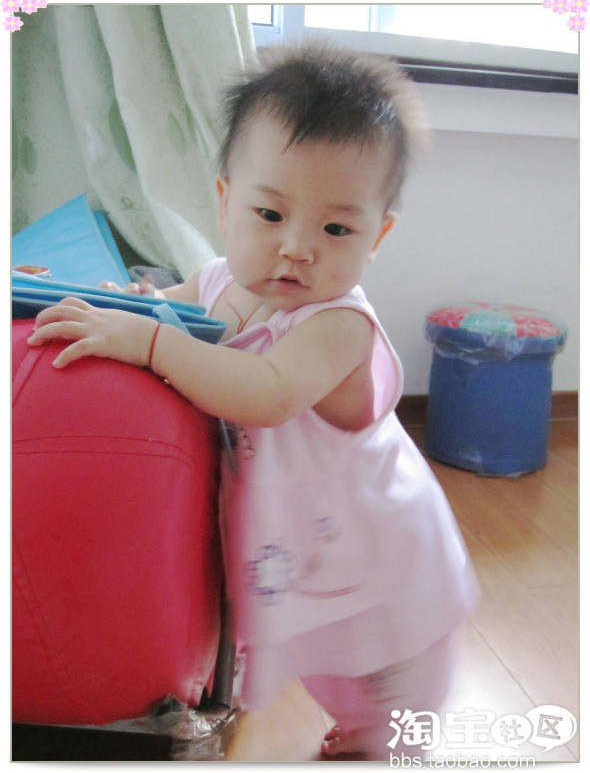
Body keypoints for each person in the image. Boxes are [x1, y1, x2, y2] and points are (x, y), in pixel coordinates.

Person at [28, 43, 480, 761]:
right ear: (224, 200)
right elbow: (169, 310)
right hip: (304, 553)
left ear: (377, 237)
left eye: (337, 229)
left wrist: (150, 344)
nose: (297, 247)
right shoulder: (219, 279)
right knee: (326, 672)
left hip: (385, 563)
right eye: (270, 213)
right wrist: (116, 303)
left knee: (392, 712)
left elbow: (264, 393)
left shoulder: (339, 326)